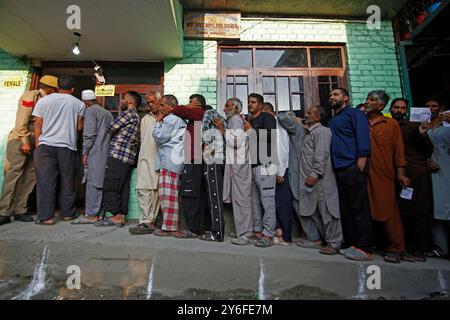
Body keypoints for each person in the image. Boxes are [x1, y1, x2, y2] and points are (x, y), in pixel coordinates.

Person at [0, 75, 58, 225]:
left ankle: (20, 209)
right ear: (51, 88)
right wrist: (25, 141)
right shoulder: (31, 96)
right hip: (21, 138)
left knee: (30, 175)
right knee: (14, 174)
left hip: (36, 139)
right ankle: (4, 211)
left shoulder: (48, 100)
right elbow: (21, 121)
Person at [365, 90, 411, 263]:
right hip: (365, 173)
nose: (367, 102)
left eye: (372, 100)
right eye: (367, 99)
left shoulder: (391, 124)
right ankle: (375, 244)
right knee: (368, 210)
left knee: (388, 211)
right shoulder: (363, 123)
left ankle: (396, 247)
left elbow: (399, 151)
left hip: (384, 174)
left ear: (381, 105)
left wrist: (401, 173)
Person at [32, 75, 85, 225]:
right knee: (68, 180)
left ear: (57, 87)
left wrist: (38, 144)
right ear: (73, 89)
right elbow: (79, 127)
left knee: (45, 181)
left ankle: (46, 217)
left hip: (45, 146)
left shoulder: (44, 101)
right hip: (67, 146)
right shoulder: (78, 104)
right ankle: (67, 214)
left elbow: (37, 123)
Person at [328, 88, 373, 261]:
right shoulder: (333, 119)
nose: (332, 97)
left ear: (345, 98)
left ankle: (365, 247)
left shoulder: (354, 114)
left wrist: (361, 162)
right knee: (345, 208)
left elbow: (362, 136)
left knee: (359, 207)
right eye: (331, 95)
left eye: (336, 95)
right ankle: (352, 243)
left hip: (352, 166)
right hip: (338, 168)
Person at [390, 98, 433, 261]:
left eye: (402, 108)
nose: (399, 110)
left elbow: (428, 150)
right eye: (396, 107)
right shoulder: (387, 125)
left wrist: (423, 135)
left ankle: (419, 249)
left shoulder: (414, 127)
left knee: (418, 211)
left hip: (415, 173)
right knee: (400, 211)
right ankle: (402, 247)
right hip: (394, 173)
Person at [298, 105, 343, 254]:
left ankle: (334, 243)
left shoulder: (323, 131)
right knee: (316, 211)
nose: (306, 114)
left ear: (317, 117)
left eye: (310, 113)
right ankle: (326, 241)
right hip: (312, 182)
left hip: (321, 180)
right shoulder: (311, 132)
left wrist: (315, 173)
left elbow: (321, 154)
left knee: (328, 211)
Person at [95, 91, 141, 227]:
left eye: (125, 98)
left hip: (118, 155)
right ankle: (121, 215)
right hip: (127, 158)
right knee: (122, 187)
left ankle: (115, 216)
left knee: (111, 185)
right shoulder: (137, 117)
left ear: (131, 102)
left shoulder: (128, 114)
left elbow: (110, 128)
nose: (122, 100)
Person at [70, 90, 114, 225]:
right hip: (106, 152)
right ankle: (99, 213)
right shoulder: (107, 113)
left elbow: (89, 135)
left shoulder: (90, 112)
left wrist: (85, 152)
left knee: (93, 183)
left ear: (85, 102)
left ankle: (91, 215)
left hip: (95, 152)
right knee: (100, 182)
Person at [217, 98, 253, 245]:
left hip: (239, 165)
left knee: (241, 199)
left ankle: (245, 234)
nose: (225, 109)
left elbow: (236, 142)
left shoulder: (235, 120)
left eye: (228, 106)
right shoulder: (236, 120)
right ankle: (242, 231)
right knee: (239, 198)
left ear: (237, 109)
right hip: (237, 164)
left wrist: (222, 130)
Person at [152, 95, 187, 237]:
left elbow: (160, 137)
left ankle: (171, 228)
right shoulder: (177, 120)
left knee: (168, 195)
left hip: (169, 162)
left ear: (171, 106)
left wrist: (157, 123)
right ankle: (169, 226)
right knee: (169, 195)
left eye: (162, 105)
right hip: (172, 161)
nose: (159, 108)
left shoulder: (171, 119)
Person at [173, 94, 207, 238]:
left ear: (198, 104)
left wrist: (188, 107)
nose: (188, 104)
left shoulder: (199, 113)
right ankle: (198, 228)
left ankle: (193, 229)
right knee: (196, 194)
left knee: (189, 193)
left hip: (194, 160)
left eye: (191, 102)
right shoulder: (198, 116)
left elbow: (177, 110)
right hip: (196, 160)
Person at [246, 93, 277, 247]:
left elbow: (270, 137)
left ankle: (269, 234)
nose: (250, 104)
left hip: (266, 164)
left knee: (267, 201)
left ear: (260, 104)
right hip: (252, 165)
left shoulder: (267, 117)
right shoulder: (250, 120)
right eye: (248, 102)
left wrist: (250, 130)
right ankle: (257, 231)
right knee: (255, 201)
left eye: (253, 102)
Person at [420, 97, 450, 258]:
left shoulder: (447, 126)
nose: (430, 108)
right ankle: (441, 248)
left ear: (441, 107)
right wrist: (426, 160)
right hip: (429, 170)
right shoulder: (423, 126)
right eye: (427, 106)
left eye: (434, 105)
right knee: (433, 208)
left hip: (446, 168)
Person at [129, 92, 161, 235]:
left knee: (155, 192)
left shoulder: (168, 119)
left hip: (160, 160)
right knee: (143, 189)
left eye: (153, 101)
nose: (150, 105)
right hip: (144, 158)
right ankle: (146, 220)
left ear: (160, 101)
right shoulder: (145, 119)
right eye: (148, 103)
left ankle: (150, 221)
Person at [262, 102, 292, 245]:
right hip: (268, 170)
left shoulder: (277, 126)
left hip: (279, 170)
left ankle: (286, 236)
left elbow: (282, 150)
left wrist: (280, 172)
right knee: (271, 203)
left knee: (282, 204)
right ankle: (277, 232)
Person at [200, 106, 226, 242]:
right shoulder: (218, 128)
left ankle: (218, 233)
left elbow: (203, 131)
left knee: (214, 198)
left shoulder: (209, 113)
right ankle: (215, 230)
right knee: (212, 198)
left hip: (213, 162)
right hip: (213, 160)